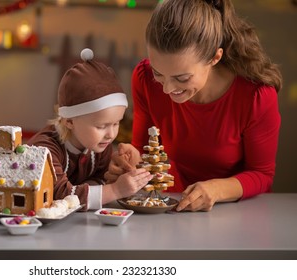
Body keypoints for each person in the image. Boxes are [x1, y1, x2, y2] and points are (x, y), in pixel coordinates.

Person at [105, 0, 282, 212]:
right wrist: (132, 162)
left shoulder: (256, 96)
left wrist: (216, 189)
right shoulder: (144, 79)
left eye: (182, 77)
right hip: (173, 206)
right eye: (158, 73)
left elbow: (261, 174)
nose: (167, 89)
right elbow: (143, 149)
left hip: (240, 212)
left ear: (214, 57)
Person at [27, 48, 153, 211]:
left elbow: (99, 180)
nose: (111, 134)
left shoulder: (98, 145)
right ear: (69, 121)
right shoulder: (44, 151)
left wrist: (116, 176)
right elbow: (59, 194)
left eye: (116, 123)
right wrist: (115, 190)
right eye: (101, 126)